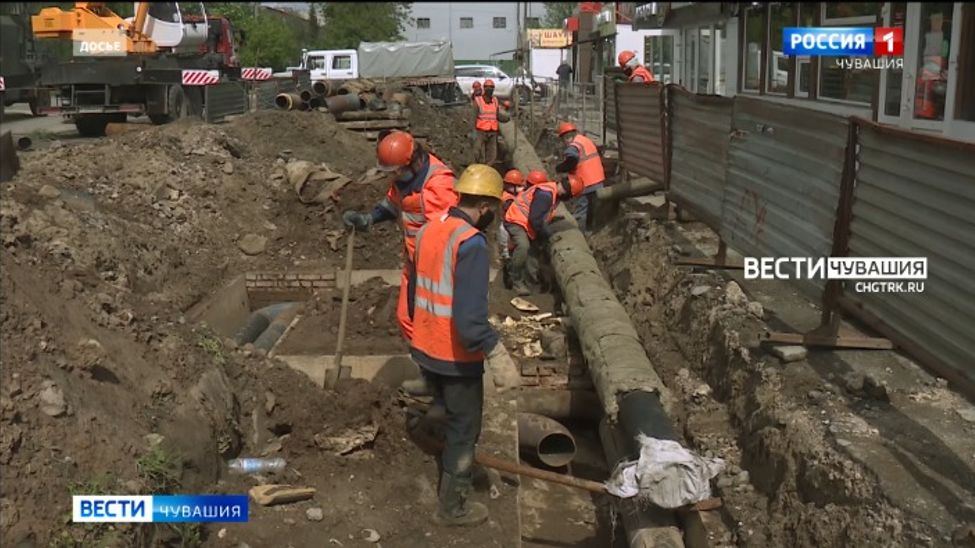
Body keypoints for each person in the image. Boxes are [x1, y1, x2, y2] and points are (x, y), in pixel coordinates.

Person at [406, 164, 513, 527]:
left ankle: (438, 442)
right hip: (454, 356)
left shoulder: (429, 229)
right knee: (465, 430)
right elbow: (469, 322)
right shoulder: (471, 243)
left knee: (444, 408)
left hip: (424, 345)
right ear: (484, 206)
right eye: (493, 208)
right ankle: (453, 507)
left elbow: (413, 291)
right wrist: (495, 352)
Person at [342, 130, 458, 345]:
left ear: (413, 161)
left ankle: (435, 361)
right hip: (414, 260)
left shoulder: (439, 184)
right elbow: (391, 205)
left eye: (397, 171)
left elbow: (444, 234)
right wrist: (368, 218)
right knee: (406, 318)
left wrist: (425, 271)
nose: (394, 176)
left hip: (433, 266)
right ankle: (424, 358)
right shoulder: (404, 180)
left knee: (431, 322)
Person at [503, 170, 572, 296]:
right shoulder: (546, 195)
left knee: (534, 250)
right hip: (515, 220)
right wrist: (546, 234)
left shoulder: (551, 192)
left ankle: (531, 281)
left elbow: (542, 214)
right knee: (523, 246)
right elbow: (535, 219)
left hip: (526, 223)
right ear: (567, 193)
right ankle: (515, 278)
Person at [554, 122, 605, 234]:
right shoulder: (585, 140)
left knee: (581, 210)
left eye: (564, 139)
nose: (564, 142)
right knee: (592, 208)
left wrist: (559, 168)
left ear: (566, 137)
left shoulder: (573, 146)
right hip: (598, 180)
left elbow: (571, 162)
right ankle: (590, 230)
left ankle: (579, 233)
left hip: (585, 182)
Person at [472, 79, 510, 167]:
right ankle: (478, 168)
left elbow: (497, 115)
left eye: (491, 87)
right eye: (487, 87)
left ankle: (487, 169)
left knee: (492, 155)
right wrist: (473, 131)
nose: (489, 89)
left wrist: (507, 118)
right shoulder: (478, 101)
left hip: (492, 132)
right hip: (481, 131)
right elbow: (473, 117)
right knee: (478, 152)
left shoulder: (495, 100)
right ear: (484, 88)